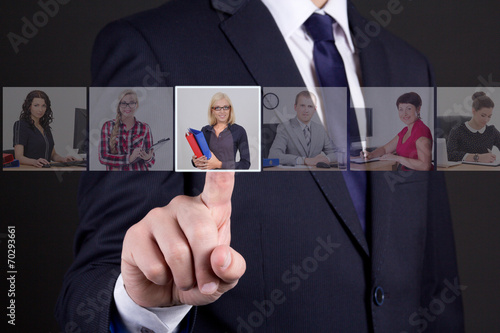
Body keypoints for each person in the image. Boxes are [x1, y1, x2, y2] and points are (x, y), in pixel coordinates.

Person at [56, 0, 464, 332]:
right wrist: (139, 306)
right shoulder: (154, 46)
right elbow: (93, 281)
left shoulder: (408, 65)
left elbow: (435, 277)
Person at [362, 92, 433, 171]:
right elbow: (385, 149)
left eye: (409, 109)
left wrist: (397, 158)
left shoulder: (421, 132)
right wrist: (371, 155)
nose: (404, 113)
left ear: (418, 109)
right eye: (401, 109)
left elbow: (425, 166)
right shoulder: (405, 131)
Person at [268, 91, 337, 166]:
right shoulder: (284, 128)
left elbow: (336, 153)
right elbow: (273, 156)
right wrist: (303, 160)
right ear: (295, 107)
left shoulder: (320, 129)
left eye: (310, 106)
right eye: (302, 106)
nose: (306, 110)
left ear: (315, 109)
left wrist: (326, 159)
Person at [13, 90, 77, 167]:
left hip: (45, 170)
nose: (40, 110)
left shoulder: (45, 127)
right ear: (29, 106)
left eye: (43, 106)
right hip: (29, 171)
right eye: (36, 105)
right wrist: (35, 162)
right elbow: (19, 157)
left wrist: (64, 159)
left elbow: (53, 155)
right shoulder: (21, 125)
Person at [98, 89, 155, 171]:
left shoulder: (145, 127)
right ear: (119, 105)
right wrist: (129, 158)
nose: (127, 106)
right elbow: (103, 157)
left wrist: (148, 158)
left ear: (136, 105)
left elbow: (152, 162)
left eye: (131, 103)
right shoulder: (108, 126)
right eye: (123, 103)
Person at [191, 92, 250, 170]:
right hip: (209, 178)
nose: (222, 111)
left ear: (230, 109)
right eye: (217, 108)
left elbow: (245, 164)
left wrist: (219, 164)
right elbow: (202, 157)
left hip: (229, 178)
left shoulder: (239, 131)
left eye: (225, 107)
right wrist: (195, 161)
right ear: (212, 110)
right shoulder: (205, 131)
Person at [447, 91, 499, 163]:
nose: (486, 120)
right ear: (473, 111)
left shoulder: (491, 131)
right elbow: (449, 155)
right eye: (483, 115)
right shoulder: (457, 130)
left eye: (489, 116)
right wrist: (478, 157)